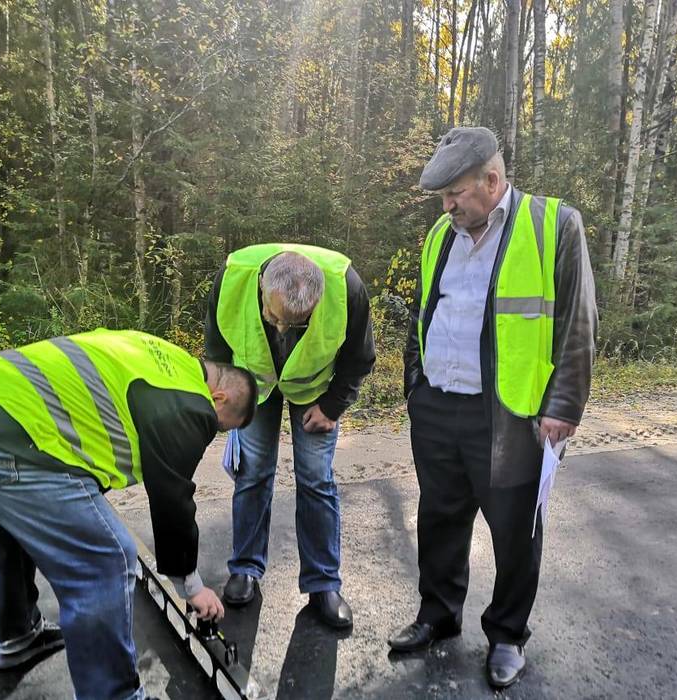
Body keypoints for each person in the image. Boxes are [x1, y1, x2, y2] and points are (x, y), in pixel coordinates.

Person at [0, 328, 257, 700]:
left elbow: (92, 415)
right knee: (106, 557)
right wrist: (191, 586)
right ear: (219, 397)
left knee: (4, 535)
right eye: (222, 425)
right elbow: (172, 495)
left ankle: (17, 635)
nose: (213, 431)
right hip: (6, 434)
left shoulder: (165, 357)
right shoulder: (192, 403)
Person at [388, 127, 597, 689]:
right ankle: (437, 616)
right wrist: (416, 384)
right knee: (439, 519)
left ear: (493, 180)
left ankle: (506, 635)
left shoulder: (554, 225)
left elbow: (578, 324)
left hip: (510, 415)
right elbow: (422, 311)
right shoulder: (442, 232)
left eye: (455, 192)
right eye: (442, 196)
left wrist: (564, 406)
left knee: (514, 531)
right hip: (437, 408)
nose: (447, 205)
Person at [204, 243, 375, 629]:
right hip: (253, 385)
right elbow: (216, 348)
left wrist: (332, 406)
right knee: (253, 474)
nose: (281, 329)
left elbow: (359, 358)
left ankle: (323, 583)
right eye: (274, 317)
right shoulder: (232, 277)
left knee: (316, 479)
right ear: (262, 285)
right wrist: (227, 398)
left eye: (294, 324)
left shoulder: (346, 286)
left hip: (315, 391)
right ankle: (245, 567)